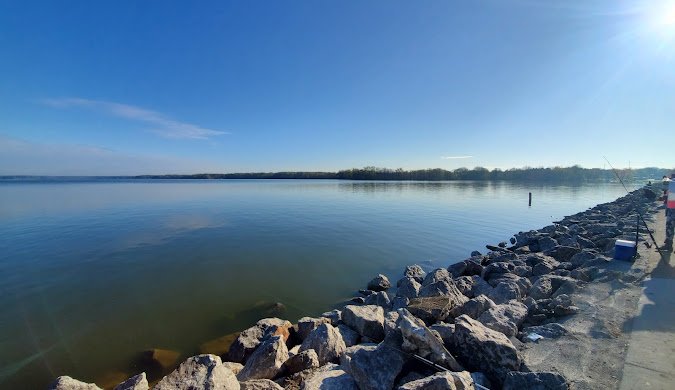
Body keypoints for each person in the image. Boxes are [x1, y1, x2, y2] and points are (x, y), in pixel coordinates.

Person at [665, 173, 675, 251]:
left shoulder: (672, 183)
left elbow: (671, 197)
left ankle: (669, 246)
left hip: (672, 209)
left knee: (670, 227)